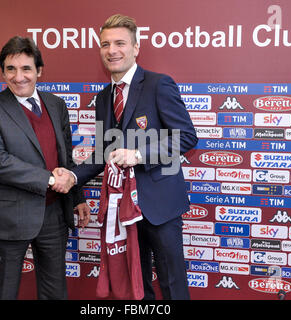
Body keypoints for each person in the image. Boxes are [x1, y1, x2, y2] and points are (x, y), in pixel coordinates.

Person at [55, 14, 198, 299]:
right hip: (123, 211)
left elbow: (186, 137)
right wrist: (72, 176)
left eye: (120, 43)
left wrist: (139, 153)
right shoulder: (104, 98)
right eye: (105, 44)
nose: (112, 50)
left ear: (135, 47)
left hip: (161, 207)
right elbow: (105, 152)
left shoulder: (159, 84)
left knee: (172, 286)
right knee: (137, 288)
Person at [0, 36, 90, 300]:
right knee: (4, 292)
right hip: (10, 217)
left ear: (39, 71)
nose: (18, 77)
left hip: (54, 214)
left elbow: (65, 157)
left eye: (26, 68)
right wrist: (51, 180)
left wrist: (77, 196)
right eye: (10, 69)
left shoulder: (56, 104)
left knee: (55, 292)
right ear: (2, 72)